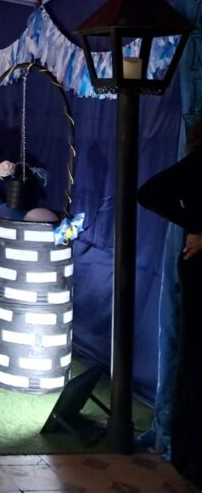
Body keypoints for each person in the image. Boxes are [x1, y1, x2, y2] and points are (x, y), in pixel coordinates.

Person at [138, 116, 202, 487]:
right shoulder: (198, 164)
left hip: (195, 265)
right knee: (194, 360)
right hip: (199, 269)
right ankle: (190, 456)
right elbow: (149, 193)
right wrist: (194, 226)